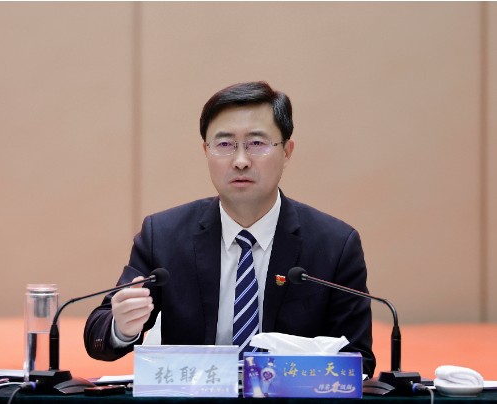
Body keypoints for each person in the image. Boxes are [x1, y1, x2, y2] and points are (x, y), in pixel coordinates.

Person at [84, 82, 376, 377]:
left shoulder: (335, 245)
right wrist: (122, 327)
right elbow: (99, 334)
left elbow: (358, 360)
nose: (240, 161)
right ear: (206, 151)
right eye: (224, 145)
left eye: (257, 143)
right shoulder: (163, 236)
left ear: (287, 152)